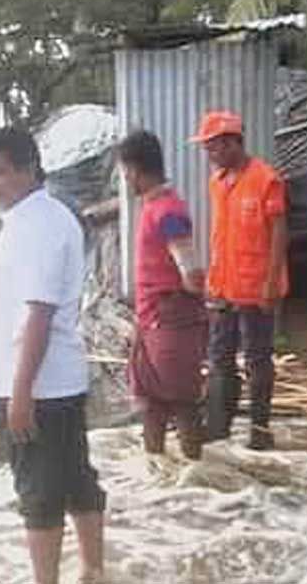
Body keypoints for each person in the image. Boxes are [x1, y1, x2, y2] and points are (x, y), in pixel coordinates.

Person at [0, 127, 105, 584]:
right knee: (73, 480)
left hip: (39, 388)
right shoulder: (35, 217)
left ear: (29, 168)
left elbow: (39, 314)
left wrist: (20, 392)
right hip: (54, 383)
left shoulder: (38, 226)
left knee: (39, 494)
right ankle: (93, 570)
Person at [190, 110, 289, 451]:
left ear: (233, 142)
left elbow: (278, 233)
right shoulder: (216, 183)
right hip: (223, 286)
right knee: (219, 357)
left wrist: (272, 283)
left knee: (258, 359)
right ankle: (219, 429)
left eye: (214, 147)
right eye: (207, 149)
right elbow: (220, 235)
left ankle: (260, 430)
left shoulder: (266, 179)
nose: (210, 155)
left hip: (256, 287)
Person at [119, 130, 208, 461]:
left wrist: (188, 302)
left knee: (183, 403)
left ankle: (195, 479)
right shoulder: (155, 206)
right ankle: (157, 478)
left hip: (170, 320)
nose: (125, 179)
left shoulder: (168, 211)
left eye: (125, 171)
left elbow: (192, 274)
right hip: (152, 319)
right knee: (152, 403)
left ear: (135, 169)